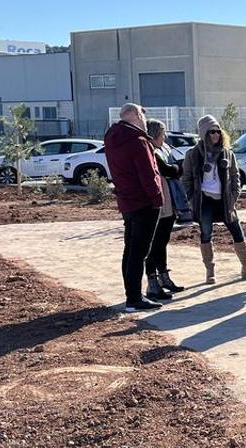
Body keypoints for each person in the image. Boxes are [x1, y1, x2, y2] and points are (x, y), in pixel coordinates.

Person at [182, 115, 246, 284]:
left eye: (218, 131)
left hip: (225, 200)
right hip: (205, 201)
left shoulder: (227, 153)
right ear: (204, 133)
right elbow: (186, 179)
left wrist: (233, 197)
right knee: (206, 234)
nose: (216, 135)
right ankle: (210, 272)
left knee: (237, 232)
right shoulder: (193, 154)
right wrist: (191, 198)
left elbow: (235, 177)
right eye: (212, 132)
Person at [104, 103, 164, 313]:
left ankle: (131, 294)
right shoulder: (138, 141)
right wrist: (157, 199)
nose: (145, 120)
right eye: (142, 115)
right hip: (144, 202)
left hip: (127, 202)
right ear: (137, 116)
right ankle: (134, 298)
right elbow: (148, 174)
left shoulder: (113, 139)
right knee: (140, 252)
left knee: (130, 250)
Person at [144, 118, 186, 299]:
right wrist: (182, 165)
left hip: (167, 202)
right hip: (158, 203)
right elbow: (170, 171)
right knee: (155, 244)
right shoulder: (151, 152)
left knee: (162, 242)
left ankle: (164, 277)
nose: (165, 137)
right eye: (162, 133)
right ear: (154, 135)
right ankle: (152, 283)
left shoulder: (161, 150)